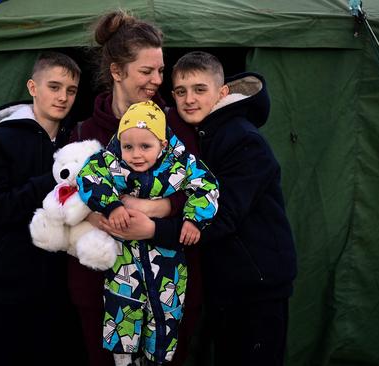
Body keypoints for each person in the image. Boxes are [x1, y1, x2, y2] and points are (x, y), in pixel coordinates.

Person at [68, 9, 203, 366]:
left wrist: (157, 210)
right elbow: (63, 198)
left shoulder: (174, 126)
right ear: (116, 71)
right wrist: (95, 214)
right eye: (146, 71)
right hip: (98, 287)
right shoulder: (84, 133)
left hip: (165, 285)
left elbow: (198, 190)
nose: (157, 79)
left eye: (160, 70)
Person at [158, 51, 298, 365]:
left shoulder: (242, 139)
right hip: (225, 284)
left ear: (222, 93)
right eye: (181, 91)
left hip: (256, 288)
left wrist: (155, 227)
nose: (189, 99)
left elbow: (223, 214)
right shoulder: (202, 135)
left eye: (199, 89)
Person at [76, 101, 219, 365]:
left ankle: (159, 357)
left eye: (145, 146)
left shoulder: (179, 165)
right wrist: (112, 205)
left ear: (162, 145)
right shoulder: (111, 163)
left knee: (164, 319)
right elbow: (88, 177)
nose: (136, 154)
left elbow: (207, 186)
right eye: (128, 146)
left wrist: (193, 220)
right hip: (123, 265)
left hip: (168, 265)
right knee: (123, 317)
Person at [0, 51, 83, 366]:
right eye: (54, 87)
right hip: (4, 281)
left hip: (54, 284)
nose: (62, 97)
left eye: (71, 90)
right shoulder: (1, 138)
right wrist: (50, 180)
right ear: (33, 87)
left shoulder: (73, 140)